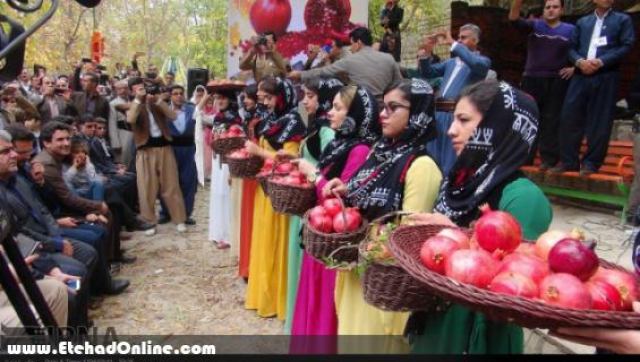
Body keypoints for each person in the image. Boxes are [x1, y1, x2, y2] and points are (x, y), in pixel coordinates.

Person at [406, 80, 552, 354]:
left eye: (463, 120)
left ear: (498, 126)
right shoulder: (460, 182)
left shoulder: (523, 197)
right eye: (453, 120)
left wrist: (455, 236)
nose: (451, 131)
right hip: (436, 320)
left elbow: (519, 280)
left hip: (478, 336)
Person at [322, 79, 441, 352]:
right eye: (382, 107)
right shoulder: (380, 152)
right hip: (357, 273)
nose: (383, 115)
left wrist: (366, 238)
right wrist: (346, 191)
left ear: (417, 114)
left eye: (393, 108)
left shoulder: (422, 166)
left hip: (383, 285)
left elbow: (408, 238)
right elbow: (364, 199)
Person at [291, 81, 382, 341]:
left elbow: (344, 202)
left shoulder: (361, 150)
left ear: (355, 115)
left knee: (324, 309)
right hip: (321, 234)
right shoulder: (340, 144)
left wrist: (314, 175)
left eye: (338, 108)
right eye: (331, 106)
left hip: (334, 241)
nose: (330, 112)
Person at [282, 77, 342, 333]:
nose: (304, 101)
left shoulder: (327, 132)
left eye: (310, 96)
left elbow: (328, 172)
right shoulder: (318, 128)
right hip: (308, 206)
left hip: (318, 208)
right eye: (304, 95)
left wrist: (309, 171)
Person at [244, 77, 306, 320]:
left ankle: (277, 301)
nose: (266, 103)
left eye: (269, 98)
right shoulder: (271, 120)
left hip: (282, 192)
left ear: (282, 97)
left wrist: (259, 152)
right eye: (263, 99)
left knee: (274, 246)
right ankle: (263, 296)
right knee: (263, 242)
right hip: (265, 188)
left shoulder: (293, 123)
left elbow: (289, 161)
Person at [552, 0, 635, 176]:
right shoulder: (583, 22)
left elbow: (627, 45)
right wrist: (579, 62)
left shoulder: (622, 19)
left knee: (600, 121)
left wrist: (602, 61)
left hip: (606, 74)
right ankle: (568, 161)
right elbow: (571, 49)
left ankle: (591, 163)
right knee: (569, 116)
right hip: (581, 75)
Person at [509, 0, 575, 169]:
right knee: (529, 118)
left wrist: (574, 68)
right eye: (548, 7)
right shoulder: (535, 25)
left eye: (555, 7)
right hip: (532, 78)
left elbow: (580, 51)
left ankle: (549, 159)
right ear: (543, 11)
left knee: (551, 119)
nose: (551, 10)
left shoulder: (571, 30)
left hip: (557, 80)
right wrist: (517, 3)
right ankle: (524, 157)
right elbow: (514, 20)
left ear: (561, 10)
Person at [419, 24, 491, 176]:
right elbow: (428, 72)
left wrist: (452, 43)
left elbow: (475, 64)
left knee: (450, 161)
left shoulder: (482, 61)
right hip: (438, 113)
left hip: (456, 116)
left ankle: (447, 194)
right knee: (432, 158)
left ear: (475, 41)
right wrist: (426, 53)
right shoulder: (451, 62)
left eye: (463, 38)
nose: (459, 40)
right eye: (459, 37)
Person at [126, 77, 187, 235]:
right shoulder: (131, 105)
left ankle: (179, 219)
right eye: (138, 88)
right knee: (147, 187)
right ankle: (148, 222)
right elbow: (131, 119)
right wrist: (139, 100)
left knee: (171, 185)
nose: (142, 90)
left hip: (165, 148)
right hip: (145, 151)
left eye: (143, 87)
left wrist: (159, 101)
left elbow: (173, 116)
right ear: (132, 90)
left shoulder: (156, 102)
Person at [289, 27, 403, 105]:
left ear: (358, 43)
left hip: (361, 107)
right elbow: (399, 84)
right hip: (385, 108)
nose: (350, 48)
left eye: (352, 44)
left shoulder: (350, 60)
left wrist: (299, 74)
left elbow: (324, 71)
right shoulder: (389, 58)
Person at [205, 82, 243, 249]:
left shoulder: (235, 119)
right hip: (217, 161)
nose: (219, 101)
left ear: (230, 100)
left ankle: (228, 236)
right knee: (217, 194)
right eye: (217, 98)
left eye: (222, 98)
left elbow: (238, 143)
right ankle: (218, 232)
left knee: (226, 195)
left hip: (228, 161)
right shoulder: (218, 117)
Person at [158, 85, 197, 226]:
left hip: (188, 149)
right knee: (168, 181)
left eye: (181, 93)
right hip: (170, 148)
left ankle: (186, 214)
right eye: (175, 93)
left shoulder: (192, 109)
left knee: (188, 182)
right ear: (170, 95)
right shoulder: (163, 110)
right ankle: (166, 212)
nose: (179, 96)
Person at [237, 84, 259, 279]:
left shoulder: (262, 120)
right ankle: (247, 266)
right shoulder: (250, 118)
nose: (245, 101)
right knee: (249, 218)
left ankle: (252, 266)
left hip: (259, 174)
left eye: (249, 97)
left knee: (255, 221)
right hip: (250, 174)